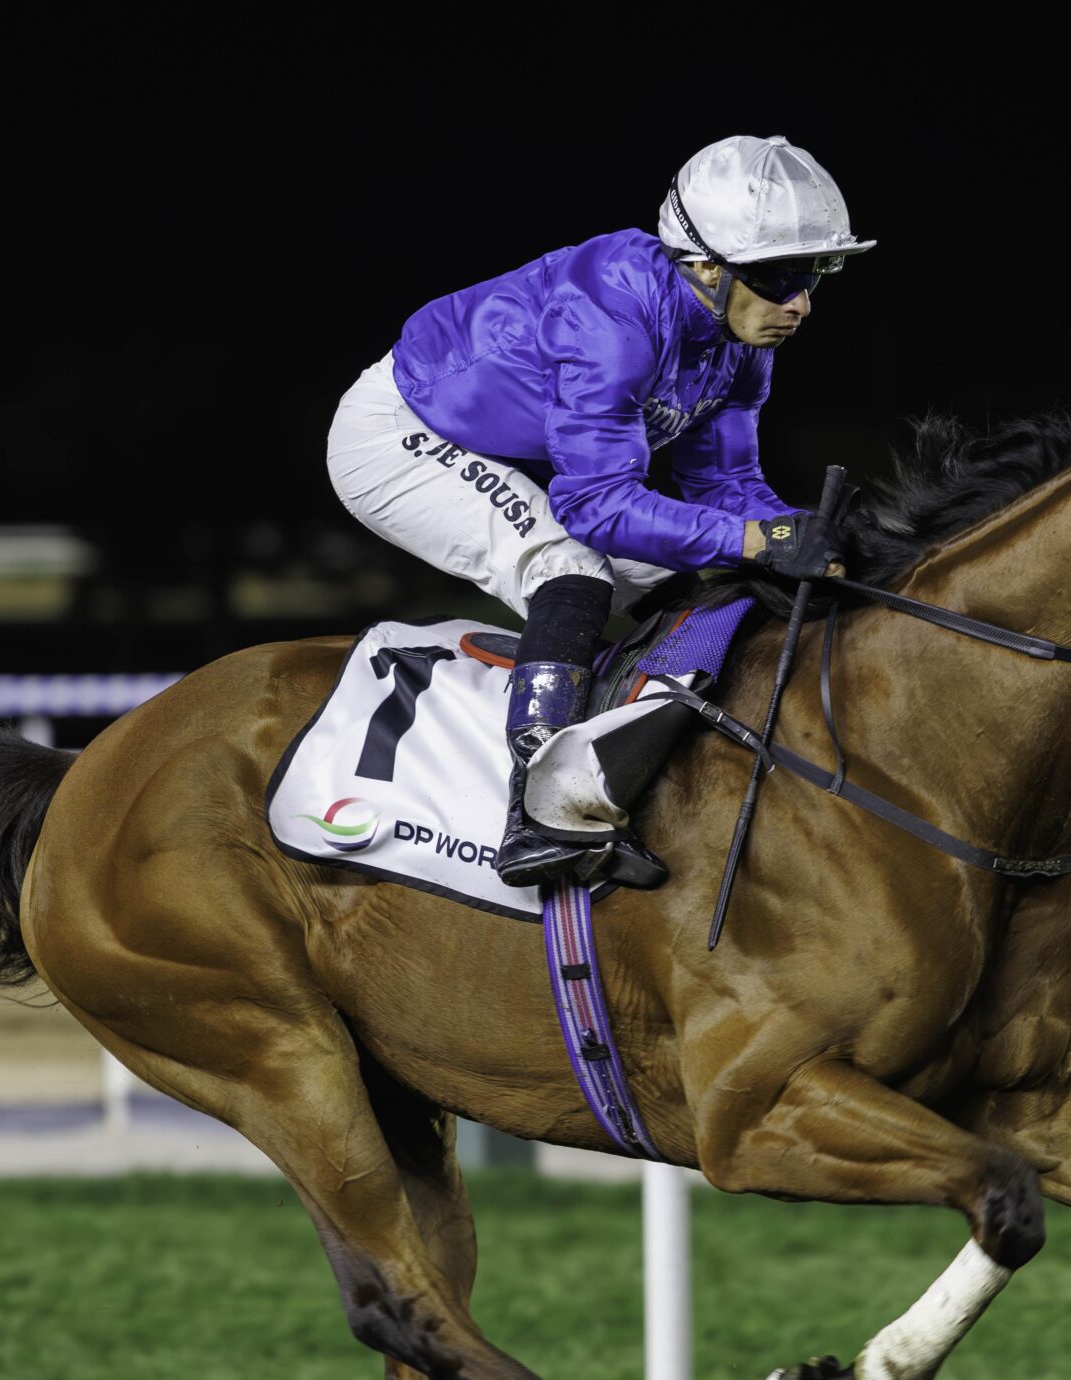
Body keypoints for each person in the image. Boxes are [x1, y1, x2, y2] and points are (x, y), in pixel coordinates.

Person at [325, 135, 873, 890]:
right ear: (706, 265)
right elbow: (592, 505)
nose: (801, 302)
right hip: (400, 435)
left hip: (527, 460)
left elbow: (728, 491)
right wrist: (757, 538)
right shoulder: (608, 316)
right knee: (570, 567)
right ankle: (539, 813)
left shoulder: (742, 335)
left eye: (815, 274)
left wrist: (814, 538)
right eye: (781, 277)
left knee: (720, 576)